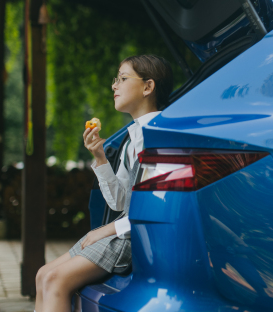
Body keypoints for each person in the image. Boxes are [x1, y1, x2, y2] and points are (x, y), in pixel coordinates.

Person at [34, 55, 174, 312]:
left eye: (122, 78)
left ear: (148, 87)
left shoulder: (159, 137)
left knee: (55, 280)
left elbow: (155, 210)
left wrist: (105, 230)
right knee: (43, 274)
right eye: (115, 79)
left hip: (135, 238)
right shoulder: (133, 138)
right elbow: (120, 201)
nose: (114, 86)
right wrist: (99, 157)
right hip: (123, 232)